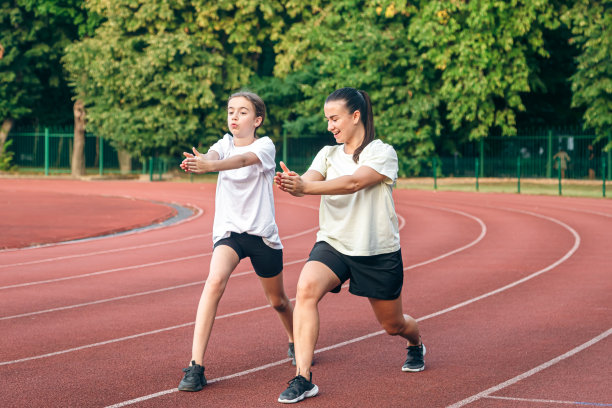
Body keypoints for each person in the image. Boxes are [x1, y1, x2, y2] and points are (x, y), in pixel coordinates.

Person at [274, 87, 425, 404]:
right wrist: (296, 183)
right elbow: (312, 178)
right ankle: (303, 377)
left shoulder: (381, 152)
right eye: (327, 119)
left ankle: (415, 342)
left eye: (334, 118)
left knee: (392, 324)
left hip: (376, 251)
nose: (329, 125)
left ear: (356, 116)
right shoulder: (327, 154)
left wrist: (306, 187)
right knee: (306, 290)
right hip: (334, 243)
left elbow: (354, 182)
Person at [177, 91, 295, 392]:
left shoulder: (264, 145)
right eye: (231, 110)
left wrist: (210, 167)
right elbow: (215, 155)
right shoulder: (223, 144)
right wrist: (202, 160)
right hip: (230, 233)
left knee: (278, 301)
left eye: (242, 112)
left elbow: (242, 161)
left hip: (262, 236)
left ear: (257, 120)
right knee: (214, 282)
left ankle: (296, 340)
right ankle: (196, 366)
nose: (234, 116)